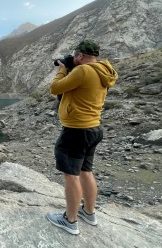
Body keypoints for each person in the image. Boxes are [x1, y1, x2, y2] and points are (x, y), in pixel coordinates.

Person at [46, 39, 118, 235]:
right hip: (93, 128)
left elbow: (55, 88)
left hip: (75, 131)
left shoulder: (83, 70)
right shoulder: (104, 71)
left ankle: (70, 221)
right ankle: (89, 212)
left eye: (75, 56)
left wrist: (62, 68)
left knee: (71, 176)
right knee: (86, 171)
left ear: (79, 56)